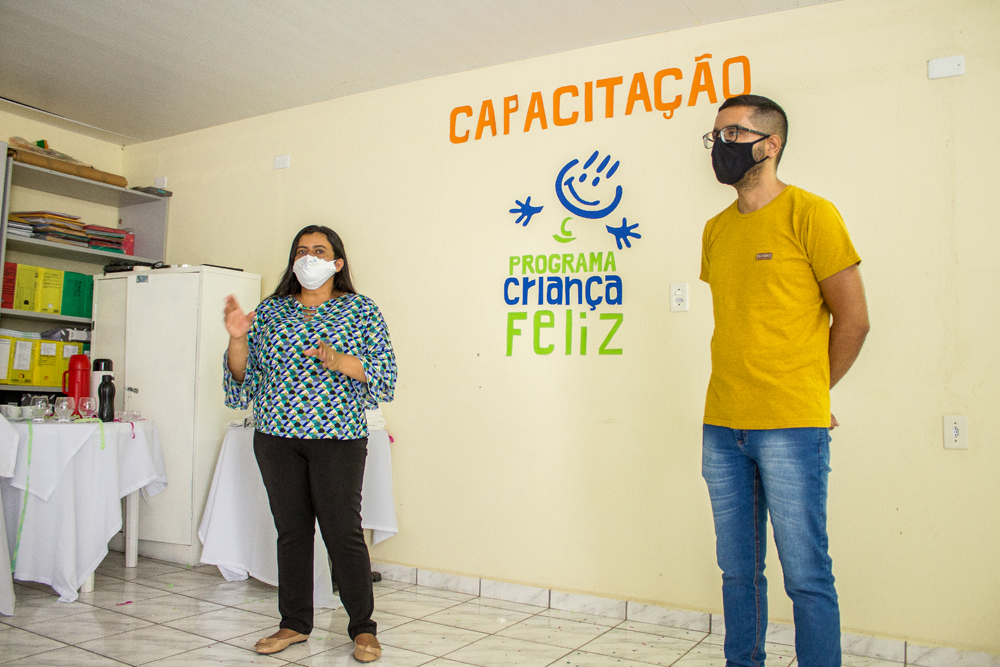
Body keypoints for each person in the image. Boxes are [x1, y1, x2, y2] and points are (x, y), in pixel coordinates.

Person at [699, 95, 869, 667]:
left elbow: (854, 320)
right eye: (716, 136)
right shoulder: (715, 230)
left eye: (733, 134)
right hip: (722, 425)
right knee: (737, 571)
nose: (720, 145)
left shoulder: (811, 214)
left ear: (770, 145)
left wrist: (812, 393)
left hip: (791, 427)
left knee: (806, 574)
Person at [223, 225, 396, 662]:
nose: (308, 258)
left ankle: (363, 628)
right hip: (276, 437)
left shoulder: (361, 310)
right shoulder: (271, 311)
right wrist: (237, 339)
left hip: (337, 438)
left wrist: (339, 361)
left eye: (319, 251)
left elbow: (385, 374)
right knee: (292, 533)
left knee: (343, 534)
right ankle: (294, 623)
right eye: (301, 250)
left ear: (337, 263)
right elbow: (243, 378)